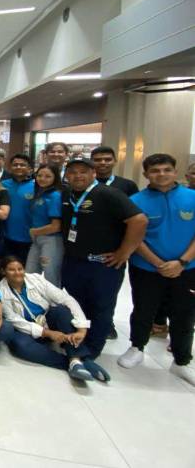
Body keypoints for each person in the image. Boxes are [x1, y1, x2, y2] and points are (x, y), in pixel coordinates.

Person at [118, 154, 195, 385]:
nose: (161, 174)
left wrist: (181, 262)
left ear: (175, 171)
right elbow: (134, 237)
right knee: (144, 308)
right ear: (146, 174)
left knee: (184, 314)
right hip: (147, 268)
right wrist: (157, 263)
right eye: (155, 170)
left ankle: (181, 361)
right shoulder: (136, 200)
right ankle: (136, 347)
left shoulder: (191, 197)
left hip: (187, 268)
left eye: (166, 170)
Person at [60, 158, 147, 359]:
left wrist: (124, 252)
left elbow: (139, 220)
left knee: (101, 307)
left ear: (93, 174)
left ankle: (92, 349)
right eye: (72, 172)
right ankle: (78, 340)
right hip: (74, 260)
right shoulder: (67, 194)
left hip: (102, 264)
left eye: (83, 172)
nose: (77, 176)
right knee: (75, 303)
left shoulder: (108, 194)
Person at [0, 256, 109, 382]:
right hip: (26, 330)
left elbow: (66, 299)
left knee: (61, 311)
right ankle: (73, 363)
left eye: (20, 269)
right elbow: (15, 321)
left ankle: (77, 360)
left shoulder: (36, 279)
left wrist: (81, 329)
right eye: (12, 270)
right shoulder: (0, 291)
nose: (17, 273)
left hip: (47, 319)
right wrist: (48, 333)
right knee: (19, 345)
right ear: (3, 272)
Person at [26, 164, 64, 285]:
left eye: (48, 176)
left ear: (55, 178)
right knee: (29, 274)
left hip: (51, 240)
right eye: (40, 175)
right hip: (36, 240)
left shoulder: (55, 196)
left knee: (51, 276)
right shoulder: (40, 193)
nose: (42, 179)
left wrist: (34, 231)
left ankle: (54, 304)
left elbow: (56, 226)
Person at [2, 154, 35, 262]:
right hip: (5, 237)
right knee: (5, 271)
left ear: (29, 168)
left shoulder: (37, 186)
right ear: (10, 167)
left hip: (28, 238)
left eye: (22, 165)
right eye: (15, 165)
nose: (18, 167)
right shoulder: (3, 185)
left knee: (25, 273)